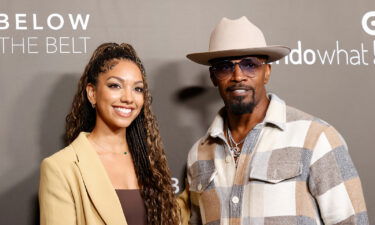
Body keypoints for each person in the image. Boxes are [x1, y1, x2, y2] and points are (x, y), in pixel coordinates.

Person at [178, 16, 369, 225]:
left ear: (266, 72)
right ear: (213, 77)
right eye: (225, 67)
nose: (238, 76)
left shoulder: (315, 138)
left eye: (249, 65)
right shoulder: (198, 154)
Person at [39, 42, 180, 225]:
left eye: (137, 88)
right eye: (115, 86)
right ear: (92, 93)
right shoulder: (60, 167)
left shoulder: (151, 161)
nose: (128, 98)